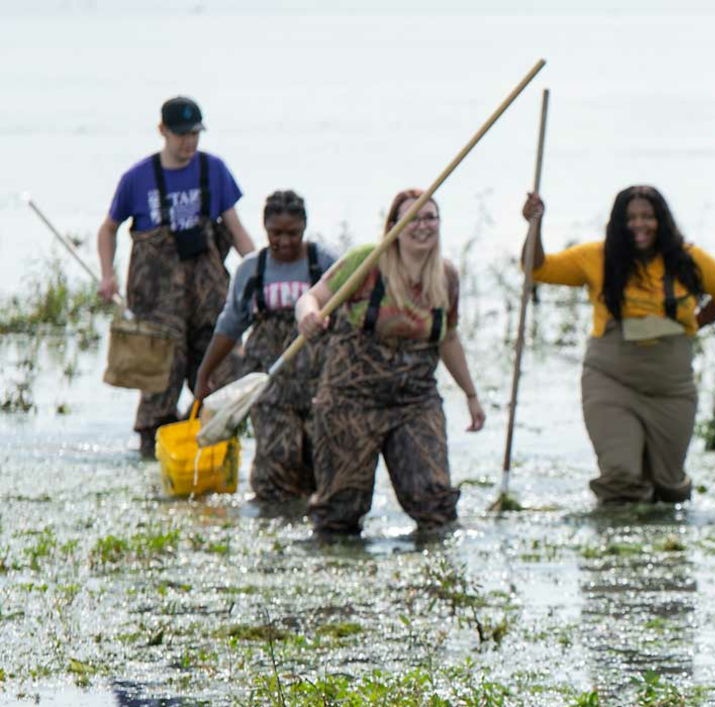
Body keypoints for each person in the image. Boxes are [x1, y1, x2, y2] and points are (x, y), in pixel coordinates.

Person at [518, 185, 715, 505]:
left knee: (669, 488)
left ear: (661, 221)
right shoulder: (595, 257)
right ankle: (613, 547)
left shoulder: (688, 258)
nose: (639, 224)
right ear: (617, 223)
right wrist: (535, 224)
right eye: (631, 218)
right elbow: (537, 269)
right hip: (610, 381)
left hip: (671, 390)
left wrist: (694, 323)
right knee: (620, 478)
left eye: (647, 217)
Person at [294, 189, 484, 536]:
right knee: (340, 512)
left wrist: (471, 395)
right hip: (349, 401)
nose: (422, 227)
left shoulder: (446, 277)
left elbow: (449, 338)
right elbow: (312, 297)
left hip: (415, 402)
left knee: (435, 504)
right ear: (393, 225)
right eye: (412, 219)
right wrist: (308, 316)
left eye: (430, 218)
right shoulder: (367, 261)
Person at [97, 96, 258, 458]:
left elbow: (236, 230)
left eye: (195, 134)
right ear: (162, 131)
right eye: (181, 134)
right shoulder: (137, 179)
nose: (189, 142)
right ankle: (156, 448)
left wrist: (260, 270)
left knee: (228, 374)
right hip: (158, 308)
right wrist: (107, 276)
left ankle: (198, 434)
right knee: (159, 384)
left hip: (209, 301)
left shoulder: (213, 170)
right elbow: (108, 230)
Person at [195, 190, 337, 505]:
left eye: (293, 233)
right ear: (264, 228)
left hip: (320, 382)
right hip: (269, 383)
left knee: (322, 463)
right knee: (277, 463)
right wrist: (205, 374)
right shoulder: (252, 269)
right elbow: (229, 326)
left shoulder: (325, 264)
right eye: (276, 233)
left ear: (305, 227)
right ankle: (276, 526)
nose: (284, 241)